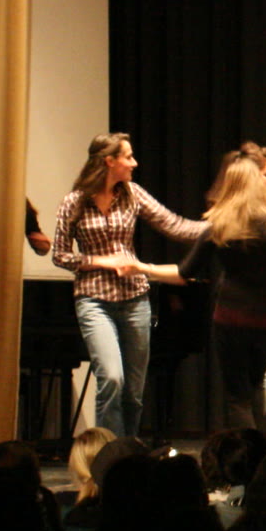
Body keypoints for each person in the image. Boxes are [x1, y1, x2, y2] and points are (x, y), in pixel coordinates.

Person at [50, 132, 209, 437]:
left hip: (134, 299)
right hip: (94, 300)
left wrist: (224, 224)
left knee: (134, 392)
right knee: (111, 378)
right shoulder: (75, 202)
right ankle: (107, 454)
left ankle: (128, 451)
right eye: (128, 157)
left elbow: (175, 226)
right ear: (109, 161)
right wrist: (101, 261)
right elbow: (59, 255)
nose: (134, 163)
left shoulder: (132, 194)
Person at [180, 158, 266, 432]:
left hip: (233, 317)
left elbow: (187, 270)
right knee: (257, 386)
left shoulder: (218, 227)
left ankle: (249, 454)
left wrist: (144, 268)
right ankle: (260, 453)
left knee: (238, 397)